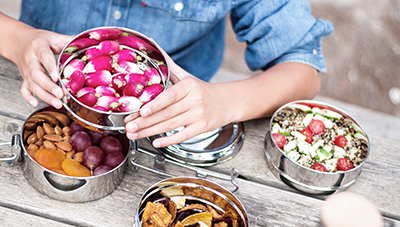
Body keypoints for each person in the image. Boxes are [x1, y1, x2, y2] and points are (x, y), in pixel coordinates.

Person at [0, 0, 333, 148]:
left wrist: (224, 101)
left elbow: (303, 68)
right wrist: (17, 40)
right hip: (36, 92)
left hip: (173, 122)